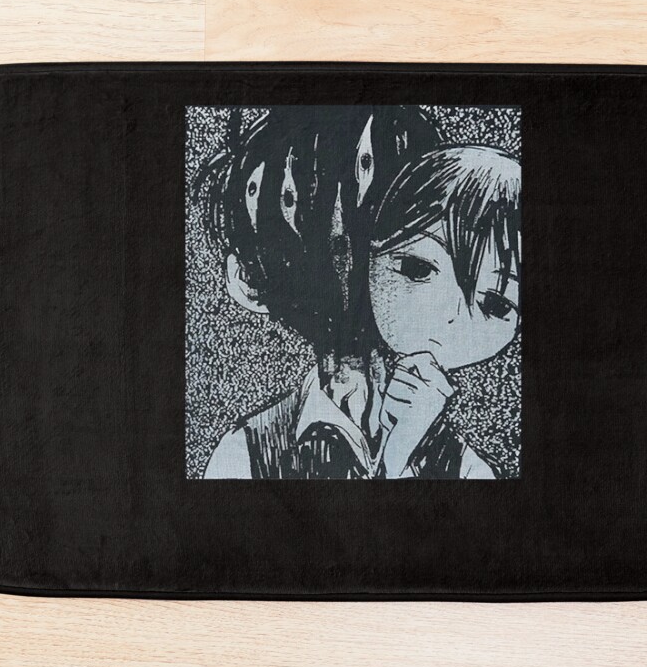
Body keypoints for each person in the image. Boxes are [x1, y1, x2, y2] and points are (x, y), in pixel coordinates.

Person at [198, 109, 519, 479]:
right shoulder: (246, 453)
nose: (356, 255)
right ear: (251, 280)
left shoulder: (464, 467)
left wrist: (402, 450)